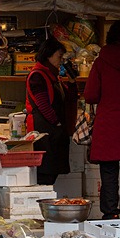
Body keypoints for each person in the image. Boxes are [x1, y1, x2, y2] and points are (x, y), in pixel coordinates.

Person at [83, 20, 120, 220]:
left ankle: (110, 213)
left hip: (109, 125)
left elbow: (90, 95)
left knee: (109, 172)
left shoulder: (102, 61)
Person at [25, 39, 73, 186]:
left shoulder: (53, 76)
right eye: (59, 57)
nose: (61, 61)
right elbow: (43, 104)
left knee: (51, 177)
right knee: (44, 177)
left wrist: (72, 81)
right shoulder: (37, 76)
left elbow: (68, 98)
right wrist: (56, 122)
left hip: (55, 134)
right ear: (48, 55)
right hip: (44, 136)